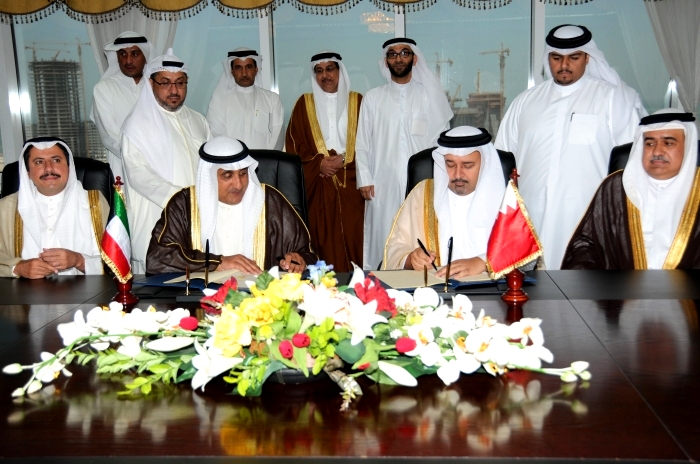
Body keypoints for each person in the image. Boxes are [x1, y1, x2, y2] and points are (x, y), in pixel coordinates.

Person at [495, 24, 646, 270]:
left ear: (587, 57)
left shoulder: (612, 100)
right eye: (556, 57)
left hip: (587, 219)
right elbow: (502, 161)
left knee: (582, 287)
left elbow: (631, 164)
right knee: (532, 288)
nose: (564, 64)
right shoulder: (525, 102)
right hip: (531, 217)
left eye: (574, 57)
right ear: (548, 58)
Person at [146, 137, 316, 274]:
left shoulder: (271, 201)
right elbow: (157, 258)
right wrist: (217, 262)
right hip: (201, 299)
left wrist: (299, 260)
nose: (239, 184)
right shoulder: (184, 205)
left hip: (260, 301)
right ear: (209, 176)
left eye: (243, 174)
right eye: (227, 176)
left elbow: (307, 253)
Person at [355, 37, 453, 270]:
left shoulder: (429, 96)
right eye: (392, 54)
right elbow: (362, 142)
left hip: (421, 183)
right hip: (382, 182)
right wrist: (364, 178)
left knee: (419, 230)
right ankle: (380, 282)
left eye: (404, 53)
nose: (399, 58)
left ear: (414, 59)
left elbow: (441, 143)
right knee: (383, 235)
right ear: (386, 61)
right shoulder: (373, 97)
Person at [562, 109, 700, 270]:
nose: (657, 151)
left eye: (668, 143)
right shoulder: (616, 186)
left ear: (688, 147)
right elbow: (587, 242)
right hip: (620, 284)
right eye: (649, 143)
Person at [121, 48, 211, 273]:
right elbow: (139, 175)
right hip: (156, 220)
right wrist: (182, 200)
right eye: (165, 83)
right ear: (151, 83)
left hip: (197, 219)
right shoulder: (136, 125)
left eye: (180, 83)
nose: (174, 90)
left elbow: (212, 166)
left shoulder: (198, 120)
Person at [383, 126, 504, 278]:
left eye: (467, 165)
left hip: (491, 289)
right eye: (450, 164)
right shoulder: (422, 194)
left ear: (485, 163)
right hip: (435, 288)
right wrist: (411, 259)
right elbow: (395, 246)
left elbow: (524, 253)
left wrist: (483, 262)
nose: (458, 174)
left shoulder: (505, 199)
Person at [285, 51, 364, 272]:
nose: (325, 75)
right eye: (319, 71)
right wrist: (318, 163)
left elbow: (371, 141)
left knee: (356, 238)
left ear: (340, 71)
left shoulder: (358, 101)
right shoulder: (304, 104)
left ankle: (358, 286)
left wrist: (345, 159)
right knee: (322, 241)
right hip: (318, 184)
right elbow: (294, 143)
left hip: (353, 184)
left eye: (330, 69)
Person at [0, 137, 109, 278]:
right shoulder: (6, 208)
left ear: (69, 167)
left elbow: (116, 261)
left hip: (85, 290)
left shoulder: (95, 202)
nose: (49, 168)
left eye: (56, 160)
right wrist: (18, 268)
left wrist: (78, 260)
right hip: (25, 291)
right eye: (39, 162)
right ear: (28, 173)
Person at [91, 31, 153, 186]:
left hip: (157, 167)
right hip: (122, 167)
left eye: (135, 54)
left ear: (145, 56)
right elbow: (110, 136)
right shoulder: (104, 88)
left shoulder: (156, 87)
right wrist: (142, 160)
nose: (128, 60)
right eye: (123, 54)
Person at [206, 48, 284, 150]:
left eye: (249, 67)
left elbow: (277, 134)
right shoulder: (220, 100)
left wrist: (267, 158)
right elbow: (215, 133)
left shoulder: (272, 99)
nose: (244, 73)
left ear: (256, 69)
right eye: (238, 68)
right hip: (231, 158)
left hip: (264, 159)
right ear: (232, 71)